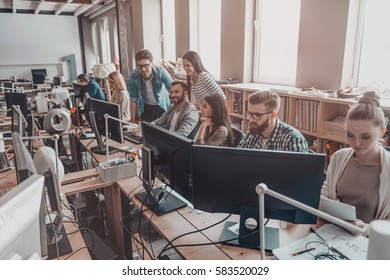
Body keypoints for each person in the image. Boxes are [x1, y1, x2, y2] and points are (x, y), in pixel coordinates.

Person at [320, 91, 390, 233]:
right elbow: (324, 196)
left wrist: (367, 228)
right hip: (334, 231)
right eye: (350, 135)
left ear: (382, 132)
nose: (356, 143)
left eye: (365, 137)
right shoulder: (339, 157)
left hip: (371, 241)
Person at [238, 91, 308, 152]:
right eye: (250, 114)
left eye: (256, 115)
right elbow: (237, 160)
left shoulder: (294, 140)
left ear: (272, 115)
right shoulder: (253, 131)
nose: (251, 120)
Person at [128, 49, 172, 123]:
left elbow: (172, 90)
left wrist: (173, 110)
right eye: (139, 66)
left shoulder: (160, 72)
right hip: (146, 107)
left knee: (162, 131)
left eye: (146, 65)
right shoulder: (133, 76)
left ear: (152, 64)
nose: (143, 69)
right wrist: (133, 119)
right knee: (148, 131)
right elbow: (133, 99)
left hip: (162, 106)